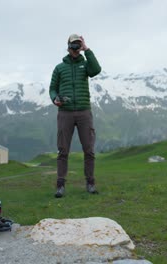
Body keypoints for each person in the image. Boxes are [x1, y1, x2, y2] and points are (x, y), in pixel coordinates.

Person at [49, 34, 102, 198]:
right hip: (65, 112)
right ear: (68, 46)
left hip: (84, 112)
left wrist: (87, 50)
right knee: (63, 150)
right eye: (73, 45)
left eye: (78, 45)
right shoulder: (59, 68)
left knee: (89, 149)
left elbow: (96, 70)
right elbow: (52, 88)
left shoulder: (86, 65)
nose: (75, 47)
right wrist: (54, 98)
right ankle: (60, 185)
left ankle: (90, 183)